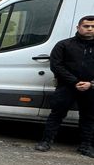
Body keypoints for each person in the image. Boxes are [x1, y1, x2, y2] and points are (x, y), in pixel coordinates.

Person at [35, 15, 94, 157]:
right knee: (56, 114)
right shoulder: (64, 45)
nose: (90, 29)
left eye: (93, 26)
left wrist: (90, 84)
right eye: (86, 26)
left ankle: (86, 146)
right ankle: (46, 142)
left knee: (89, 117)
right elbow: (56, 66)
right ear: (78, 27)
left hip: (91, 89)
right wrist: (74, 82)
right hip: (66, 87)